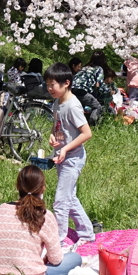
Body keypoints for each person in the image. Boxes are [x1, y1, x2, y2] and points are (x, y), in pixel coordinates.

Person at [0, 165, 83, 275]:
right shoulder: (45, 215)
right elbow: (56, 259)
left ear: (17, 186)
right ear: (43, 188)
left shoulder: (1, 209)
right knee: (74, 258)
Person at [46, 62, 96, 248]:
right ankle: (87, 233)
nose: (49, 88)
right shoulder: (57, 103)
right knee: (69, 197)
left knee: (61, 201)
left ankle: (58, 240)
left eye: (52, 84)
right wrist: (53, 137)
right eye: (47, 85)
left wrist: (66, 149)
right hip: (62, 156)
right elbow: (57, 126)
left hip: (73, 159)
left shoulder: (73, 106)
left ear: (66, 83)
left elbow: (87, 133)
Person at [71, 51, 109, 120]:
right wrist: (107, 91)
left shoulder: (85, 67)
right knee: (97, 107)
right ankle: (92, 123)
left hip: (71, 90)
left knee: (81, 106)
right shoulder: (99, 69)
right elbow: (98, 84)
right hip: (82, 91)